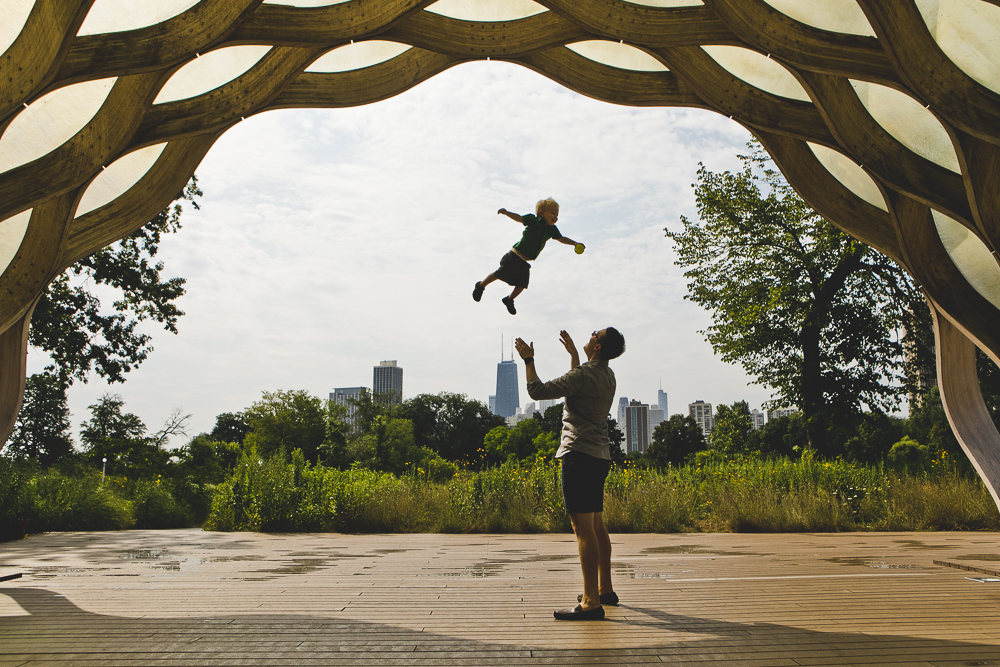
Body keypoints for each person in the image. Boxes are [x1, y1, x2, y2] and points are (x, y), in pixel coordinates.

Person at [514, 327, 625, 621]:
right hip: (600, 456)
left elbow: (537, 391)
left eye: (594, 335)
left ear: (598, 347)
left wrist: (528, 360)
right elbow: (580, 383)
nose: (590, 335)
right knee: (597, 525)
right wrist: (575, 356)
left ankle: (591, 602)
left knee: (582, 528)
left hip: (578, 455)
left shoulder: (585, 375)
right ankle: (604, 590)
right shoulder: (607, 374)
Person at [473, 198, 584, 315]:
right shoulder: (534, 220)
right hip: (514, 256)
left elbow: (561, 238)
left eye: (557, 215)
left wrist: (575, 243)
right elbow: (520, 218)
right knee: (499, 274)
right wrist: (506, 213)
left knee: (522, 284)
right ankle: (480, 285)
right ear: (542, 213)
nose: (556, 217)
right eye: (553, 213)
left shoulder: (552, 230)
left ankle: (509, 300)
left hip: (524, 262)